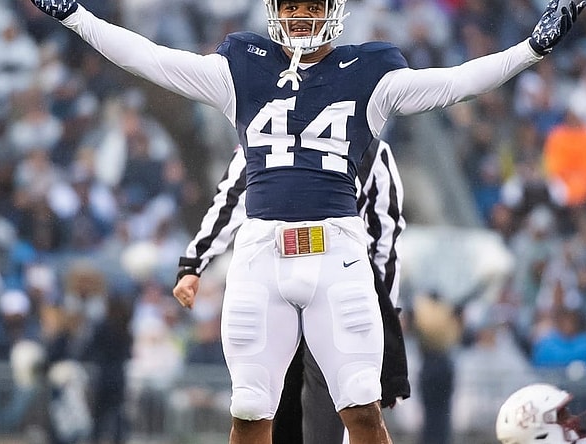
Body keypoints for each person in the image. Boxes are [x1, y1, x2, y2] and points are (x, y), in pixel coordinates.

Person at [28, 0, 586, 441]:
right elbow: (150, 58)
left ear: (332, 10)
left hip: (337, 252)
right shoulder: (239, 67)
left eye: (310, 6)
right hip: (259, 253)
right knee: (249, 409)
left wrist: (531, 49)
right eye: (290, 6)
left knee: (362, 410)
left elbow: (458, 81)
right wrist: (77, 16)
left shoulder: (372, 72)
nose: (299, 17)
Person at [173, 139, 409, 444]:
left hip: (339, 290)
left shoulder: (369, 147)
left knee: (349, 413)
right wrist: (194, 262)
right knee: (257, 409)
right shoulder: (263, 137)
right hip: (273, 288)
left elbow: (384, 238)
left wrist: (384, 317)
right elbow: (231, 200)